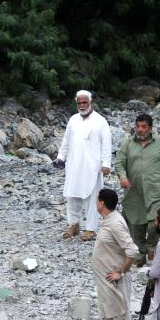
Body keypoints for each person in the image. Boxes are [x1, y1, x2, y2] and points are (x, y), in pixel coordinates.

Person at [113, 113, 160, 265]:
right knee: (136, 223)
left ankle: (152, 246)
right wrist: (123, 177)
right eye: (138, 126)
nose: (140, 129)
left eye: (144, 126)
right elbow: (119, 163)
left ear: (150, 128)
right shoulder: (128, 144)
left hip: (157, 190)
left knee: (156, 221)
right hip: (135, 192)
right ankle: (140, 252)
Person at [92, 188, 140, 320]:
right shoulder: (108, 221)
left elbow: (132, 250)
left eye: (97, 200)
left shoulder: (116, 223)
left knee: (118, 318)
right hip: (104, 282)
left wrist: (121, 272)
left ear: (102, 203)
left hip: (113, 282)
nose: (96, 203)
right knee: (106, 318)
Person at [55, 90, 112, 241]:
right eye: (79, 103)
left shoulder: (100, 121)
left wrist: (106, 164)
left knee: (92, 198)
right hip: (73, 165)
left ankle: (90, 229)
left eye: (84, 102)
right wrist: (60, 157)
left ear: (90, 102)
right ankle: (74, 225)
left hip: (92, 167)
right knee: (72, 196)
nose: (82, 105)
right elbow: (66, 140)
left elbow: (106, 144)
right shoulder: (73, 120)